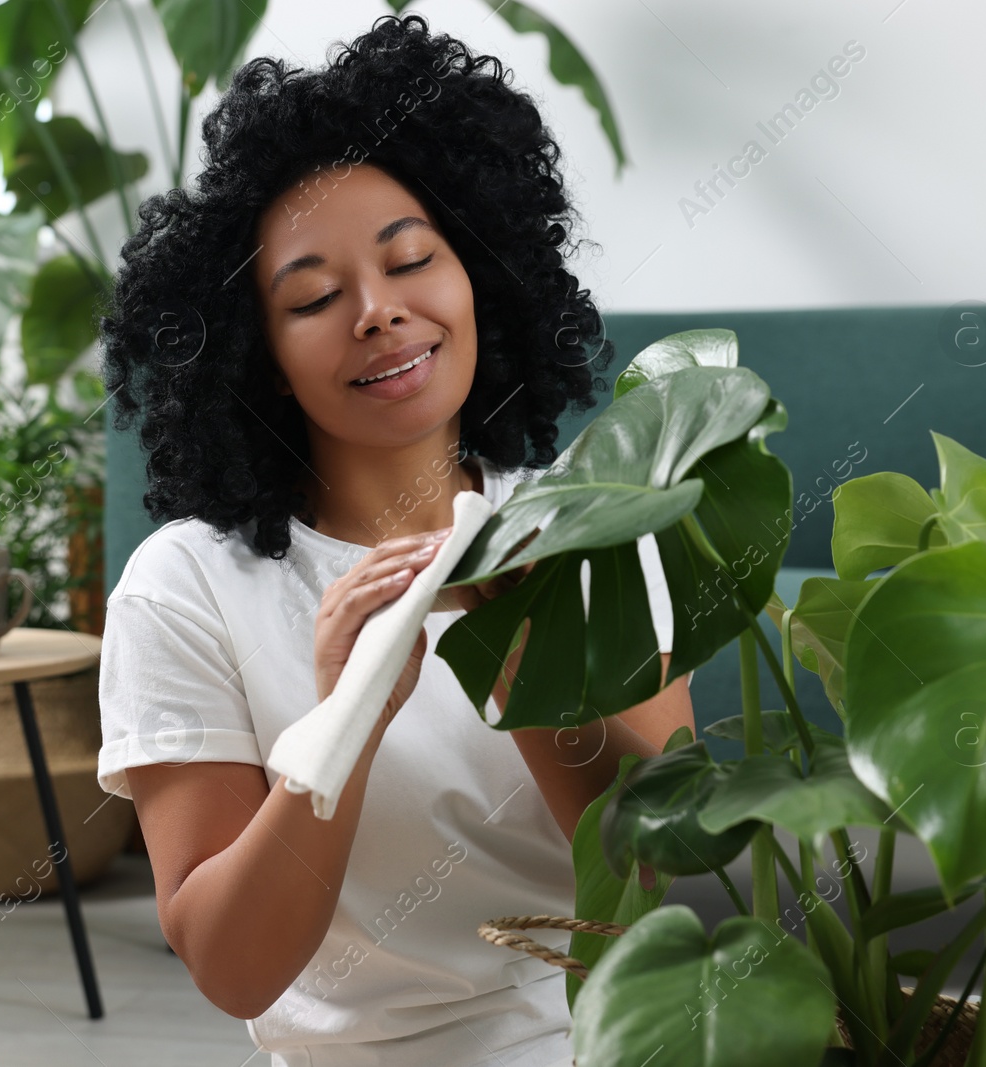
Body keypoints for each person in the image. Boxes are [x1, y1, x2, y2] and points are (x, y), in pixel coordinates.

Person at [94, 14, 694, 1067]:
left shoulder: (593, 522)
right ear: (263, 355)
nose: (377, 312)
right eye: (316, 297)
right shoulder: (185, 585)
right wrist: (341, 723)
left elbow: (657, 885)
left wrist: (531, 665)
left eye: (411, 259)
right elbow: (233, 967)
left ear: (478, 275)